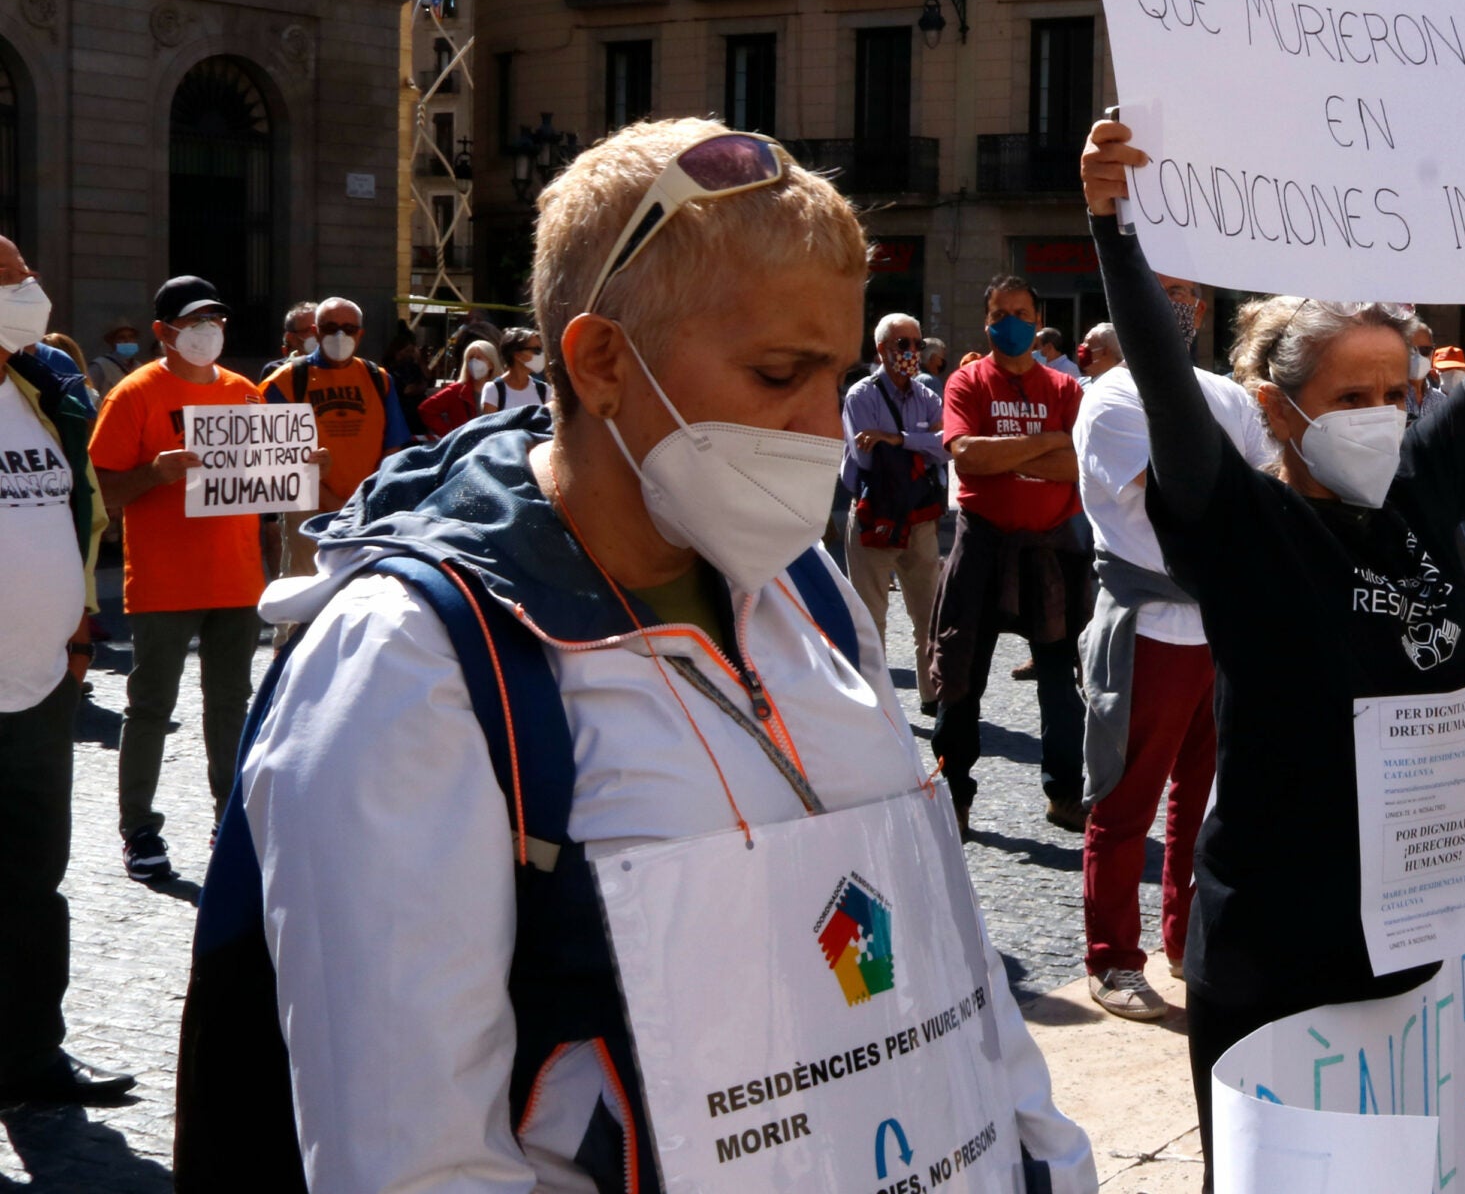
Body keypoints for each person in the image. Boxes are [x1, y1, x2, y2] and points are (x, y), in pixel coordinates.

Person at [175, 120, 1095, 1192]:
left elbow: (952, 969)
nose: (820, 427)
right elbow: (418, 1166)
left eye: (834, 372)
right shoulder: (412, 666)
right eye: (777, 372)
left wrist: (1049, 1164)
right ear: (602, 360)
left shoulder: (806, 586)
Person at [1079, 116, 1465, 1187]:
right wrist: (1112, 227)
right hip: (1279, 942)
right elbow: (1162, 380)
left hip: (1423, 921)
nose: (1382, 414)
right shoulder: (1237, 520)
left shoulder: (1420, 494)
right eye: (1350, 397)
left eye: (1395, 392)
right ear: (1275, 410)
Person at [1073, 272, 1272, 1021]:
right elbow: (1198, 495)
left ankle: (1189, 942)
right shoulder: (1114, 397)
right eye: (1158, 289)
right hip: (1151, 629)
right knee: (1125, 802)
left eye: (1187, 291)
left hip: (1218, 626)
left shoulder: (1222, 394)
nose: (1177, 305)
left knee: (1205, 802)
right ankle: (1113, 959)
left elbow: (1263, 478)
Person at [0, 234, 135, 1108]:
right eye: (10, 278)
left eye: (24, 275)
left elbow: (78, 510)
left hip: (43, 681)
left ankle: (28, 1054)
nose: (27, 289)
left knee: (32, 878)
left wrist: (79, 628)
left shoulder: (42, 389)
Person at [88, 275, 269, 882]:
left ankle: (231, 819)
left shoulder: (247, 393)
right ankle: (139, 829)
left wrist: (298, 465)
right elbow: (99, 493)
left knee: (231, 707)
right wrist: (154, 475)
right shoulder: (134, 395)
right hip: (165, 583)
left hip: (237, 580)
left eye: (215, 320)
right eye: (194, 322)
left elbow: (268, 482)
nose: (207, 331)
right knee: (149, 707)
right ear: (164, 332)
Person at [931, 275, 1090, 834]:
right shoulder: (967, 381)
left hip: (1052, 549)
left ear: (1037, 314)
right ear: (987, 320)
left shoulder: (1067, 390)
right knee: (961, 676)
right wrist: (1047, 441)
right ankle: (953, 794)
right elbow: (967, 457)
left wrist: (1011, 457)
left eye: (1022, 312)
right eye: (1001, 313)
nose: (1012, 322)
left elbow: (1081, 465)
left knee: (1060, 682)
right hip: (982, 544)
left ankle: (1065, 793)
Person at [260, 296, 412, 581]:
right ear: (316, 332)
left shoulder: (378, 379)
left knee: (360, 587)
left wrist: (366, 498)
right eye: (330, 327)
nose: (340, 335)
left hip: (367, 507)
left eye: (349, 328)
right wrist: (330, 500)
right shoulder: (284, 382)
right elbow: (276, 458)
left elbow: (393, 447)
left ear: (360, 334)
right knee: (304, 590)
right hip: (306, 509)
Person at [841, 311, 947, 714]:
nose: (912, 352)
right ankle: (875, 702)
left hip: (919, 519)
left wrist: (896, 439)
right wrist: (917, 444)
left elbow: (946, 443)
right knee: (871, 616)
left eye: (917, 344)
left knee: (927, 615)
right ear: (882, 350)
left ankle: (931, 696)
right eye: (903, 344)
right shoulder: (861, 396)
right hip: (876, 518)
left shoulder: (927, 395)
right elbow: (866, 460)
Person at [418, 338, 498, 438]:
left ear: (491, 363)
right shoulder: (456, 391)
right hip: (464, 449)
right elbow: (426, 409)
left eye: (479, 358)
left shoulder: (501, 389)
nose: (474, 362)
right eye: (471, 358)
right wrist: (449, 434)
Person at [479, 326, 549, 413]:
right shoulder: (493, 389)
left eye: (542, 350)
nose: (541, 355)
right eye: (536, 350)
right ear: (517, 354)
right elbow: (490, 425)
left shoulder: (544, 390)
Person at [259, 301, 320, 381]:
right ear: (291, 338)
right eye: (309, 330)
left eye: (320, 329)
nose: (316, 334)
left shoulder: (337, 367)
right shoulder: (275, 371)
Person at [90, 320, 144, 399]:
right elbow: (88, 396)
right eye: (121, 337)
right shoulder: (99, 366)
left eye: (131, 337)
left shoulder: (140, 368)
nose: (127, 341)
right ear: (112, 342)